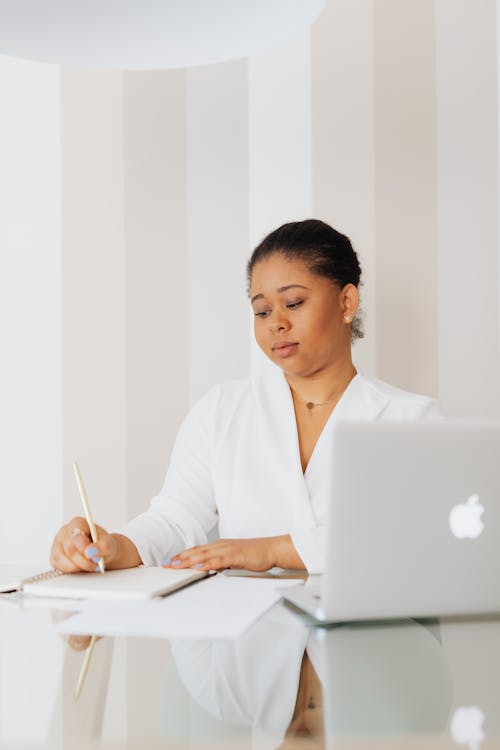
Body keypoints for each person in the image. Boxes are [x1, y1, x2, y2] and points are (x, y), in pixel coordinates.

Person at [50, 219, 437, 575]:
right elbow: (174, 518)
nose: (277, 324)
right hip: (250, 643)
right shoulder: (223, 410)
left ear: (346, 302)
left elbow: (412, 539)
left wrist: (269, 551)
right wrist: (114, 546)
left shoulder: (413, 422)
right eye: (262, 311)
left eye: (294, 303)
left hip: (372, 642)